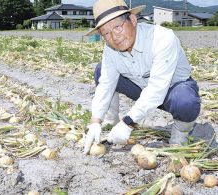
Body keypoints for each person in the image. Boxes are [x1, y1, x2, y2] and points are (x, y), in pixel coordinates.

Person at [84, 0, 201, 154]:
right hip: (141, 89)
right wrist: (95, 120)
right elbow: (106, 83)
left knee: (186, 101)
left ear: (132, 20)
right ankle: (111, 119)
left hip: (171, 92)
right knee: (101, 71)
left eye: (118, 27)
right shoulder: (110, 49)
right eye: (106, 33)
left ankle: (180, 135)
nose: (114, 37)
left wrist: (128, 122)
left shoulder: (162, 38)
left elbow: (157, 88)